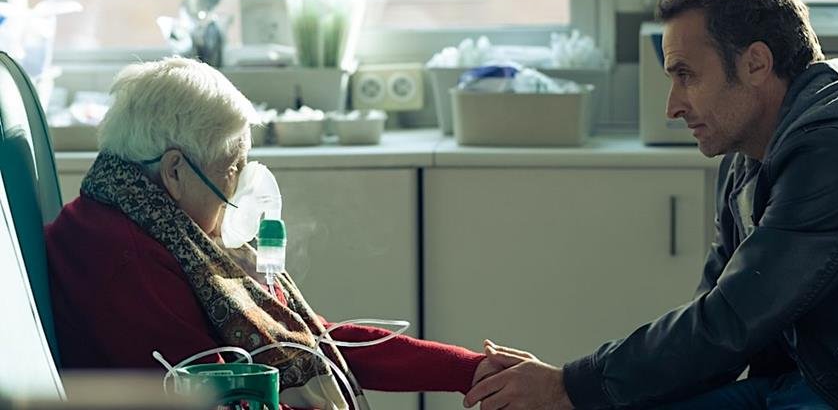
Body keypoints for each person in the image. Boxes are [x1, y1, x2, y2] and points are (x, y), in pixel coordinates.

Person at [464, 0, 838, 409]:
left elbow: (731, 321)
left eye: (686, 75)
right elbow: (716, 319)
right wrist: (576, 389)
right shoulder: (752, 155)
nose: (673, 106)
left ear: (755, 63)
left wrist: (570, 385)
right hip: (820, 381)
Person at [45, 57, 502, 408]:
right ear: (175, 171)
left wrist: (471, 370)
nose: (243, 185)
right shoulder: (128, 264)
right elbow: (227, 399)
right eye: (233, 167)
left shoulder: (145, 221)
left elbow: (310, 343)